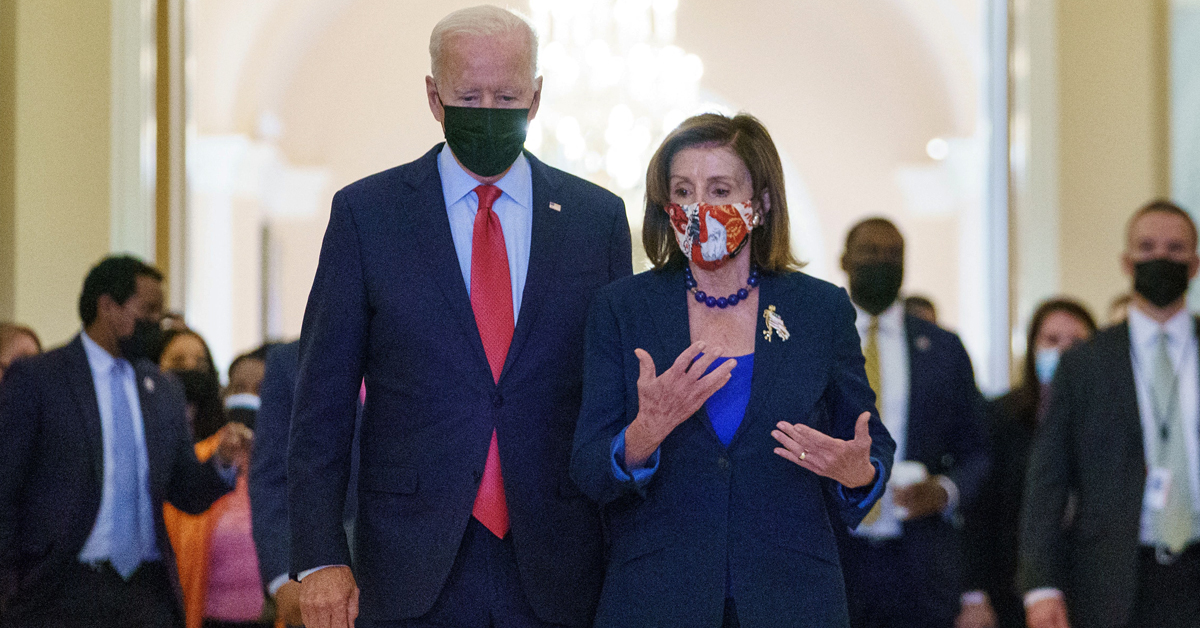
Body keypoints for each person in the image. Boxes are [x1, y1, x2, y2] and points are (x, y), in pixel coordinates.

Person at [287, 6, 632, 628]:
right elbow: (322, 402)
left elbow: (614, 396)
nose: (489, 111)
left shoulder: (595, 220)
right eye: (469, 95)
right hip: (407, 559)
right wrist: (319, 557)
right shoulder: (369, 215)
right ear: (432, 95)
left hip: (559, 558)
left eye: (506, 95)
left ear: (536, 96)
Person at [570, 112, 895, 627]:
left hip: (792, 600)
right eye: (682, 191)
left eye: (719, 189)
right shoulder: (622, 308)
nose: (699, 207)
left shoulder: (820, 310)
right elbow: (588, 467)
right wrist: (644, 434)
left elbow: (867, 444)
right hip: (656, 599)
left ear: (761, 204)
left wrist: (860, 473)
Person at [0, 255, 248, 628]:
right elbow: (6, 486)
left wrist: (223, 462)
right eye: (148, 310)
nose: (157, 324)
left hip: (147, 592)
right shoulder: (40, 379)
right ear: (107, 306)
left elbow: (184, 491)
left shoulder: (163, 388)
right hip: (60, 588)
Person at [1021, 200, 1200, 628]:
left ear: (1194, 264)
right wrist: (1040, 585)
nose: (1161, 257)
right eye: (1148, 246)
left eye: (1176, 249)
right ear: (1127, 261)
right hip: (1112, 577)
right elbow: (1049, 479)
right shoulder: (1085, 363)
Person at [833, 217, 989, 628]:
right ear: (845, 260)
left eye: (894, 254)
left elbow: (977, 450)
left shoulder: (942, 347)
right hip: (836, 553)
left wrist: (945, 491)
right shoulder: (820, 341)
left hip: (918, 561)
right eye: (871, 251)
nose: (883, 261)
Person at [958, 299, 1096, 628]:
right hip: (1011, 585)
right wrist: (975, 594)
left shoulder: (1111, 422)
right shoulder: (1002, 417)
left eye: (1076, 343)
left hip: (1092, 588)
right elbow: (980, 512)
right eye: (1051, 340)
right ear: (1032, 348)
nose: (1064, 352)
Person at [249, 340, 360, 628]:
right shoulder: (291, 361)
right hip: (324, 573)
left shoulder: (423, 347)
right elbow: (271, 476)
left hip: (422, 571)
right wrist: (280, 576)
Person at [161, 331, 264, 628]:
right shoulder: (199, 460)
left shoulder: (282, 463)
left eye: (261, 389)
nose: (251, 398)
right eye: (241, 387)